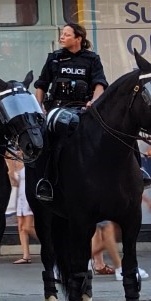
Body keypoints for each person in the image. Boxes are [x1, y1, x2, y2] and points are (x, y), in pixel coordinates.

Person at [32, 22, 108, 201]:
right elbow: (42, 84)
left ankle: (137, 172)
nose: (61, 37)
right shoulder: (54, 58)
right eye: (62, 34)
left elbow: (100, 84)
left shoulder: (92, 59)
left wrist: (94, 102)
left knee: (114, 130)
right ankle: (46, 181)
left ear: (78, 38)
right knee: (46, 140)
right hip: (58, 110)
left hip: (84, 110)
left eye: (66, 34)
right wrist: (38, 107)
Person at [7, 152, 35, 264]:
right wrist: (11, 170)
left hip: (29, 196)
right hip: (20, 197)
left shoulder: (29, 160)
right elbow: (15, 183)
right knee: (21, 228)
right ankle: (26, 255)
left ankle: (51, 244)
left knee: (28, 227)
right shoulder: (14, 162)